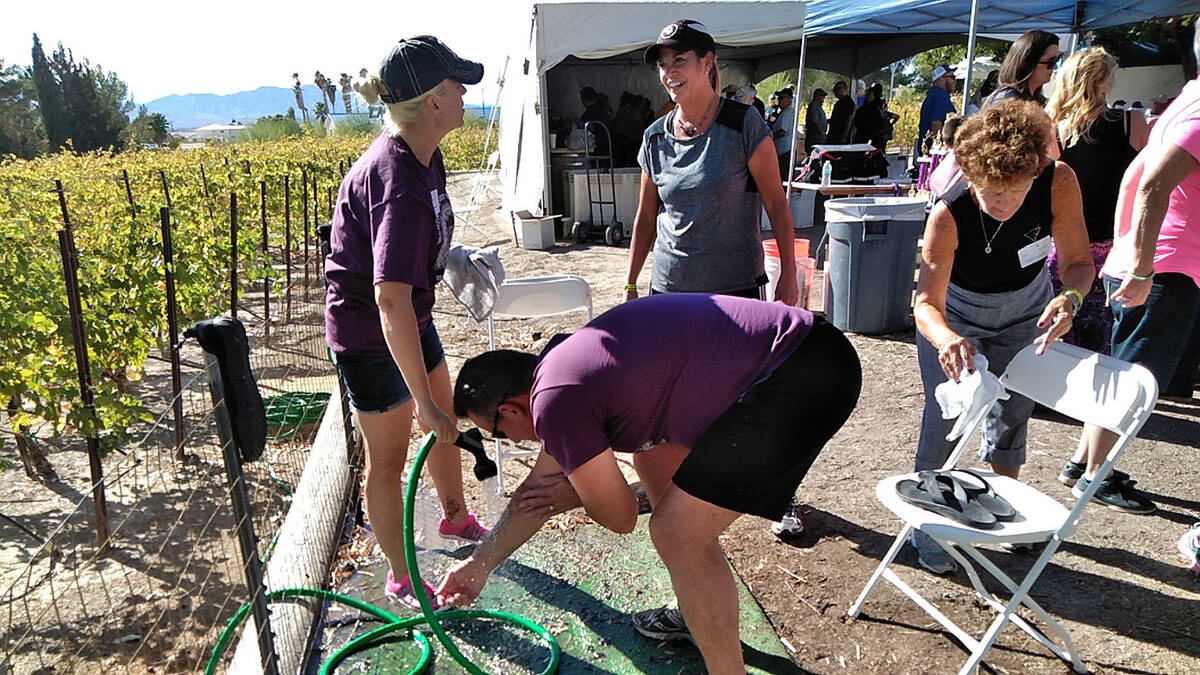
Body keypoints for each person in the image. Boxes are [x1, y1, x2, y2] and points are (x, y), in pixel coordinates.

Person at [437, 294, 862, 675]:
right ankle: (697, 608)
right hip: (809, 353)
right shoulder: (560, 369)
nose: (503, 442)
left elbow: (620, 517)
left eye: (494, 432)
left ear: (510, 409)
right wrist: (479, 564)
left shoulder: (555, 401)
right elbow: (535, 496)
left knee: (675, 533)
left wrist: (577, 494)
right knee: (652, 459)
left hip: (800, 374)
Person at [324, 35, 488, 611]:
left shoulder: (425, 153)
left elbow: (410, 276)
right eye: (456, 85)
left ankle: (453, 518)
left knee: (447, 421)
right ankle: (400, 574)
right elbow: (388, 300)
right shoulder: (397, 184)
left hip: (410, 318)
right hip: (373, 337)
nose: (466, 92)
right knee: (390, 461)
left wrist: (453, 259)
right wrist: (421, 401)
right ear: (433, 102)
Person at [911, 100, 1094, 574]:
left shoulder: (1059, 181)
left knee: (1014, 413)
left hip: (1026, 309)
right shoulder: (947, 214)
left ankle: (1004, 506)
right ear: (969, 174)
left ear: (1035, 171)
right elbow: (926, 303)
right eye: (990, 191)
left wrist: (1070, 298)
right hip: (959, 312)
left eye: (1015, 191)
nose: (1003, 203)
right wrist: (947, 337)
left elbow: (1077, 263)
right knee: (945, 420)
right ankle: (929, 523)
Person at [1067, 27, 1200, 515]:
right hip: (1166, 268)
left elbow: (1133, 179)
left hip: (1148, 262)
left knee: (1119, 369)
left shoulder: (1184, 102)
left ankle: (1085, 462)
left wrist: (1126, 251)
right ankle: (1095, 474)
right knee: (1135, 378)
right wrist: (1140, 266)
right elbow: (1150, 188)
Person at [625, 19, 799, 306]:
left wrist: (788, 273)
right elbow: (645, 218)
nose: (670, 72)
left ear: (707, 62)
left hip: (736, 292)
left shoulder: (744, 124)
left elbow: (777, 204)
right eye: (663, 65)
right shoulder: (655, 137)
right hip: (669, 292)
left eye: (679, 60)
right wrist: (630, 283)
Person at [1045, 47, 1149, 356]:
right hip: (1118, 247)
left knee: (1066, 336)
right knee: (1109, 340)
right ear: (1101, 82)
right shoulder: (1133, 123)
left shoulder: (1055, 133)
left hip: (1066, 248)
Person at [987, 30, 1060, 106]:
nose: (1055, 66)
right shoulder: (1008, 100)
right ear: (1025, 63)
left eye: (1056, 60)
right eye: (1050, 61)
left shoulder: (1039, 101)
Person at [918, 64, 958, 157]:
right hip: (936, 156)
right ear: (941, 79)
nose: (955, 81)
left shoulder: (935, 95)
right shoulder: (940, 96)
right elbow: (936, 126)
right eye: (952, 77)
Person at [851, 83, 896, 149]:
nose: (866, 96)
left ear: (874, 96)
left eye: (869, 94)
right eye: (866, 94)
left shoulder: (873, 108)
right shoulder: (878, 107)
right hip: (871, 136)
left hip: (869, 136)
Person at [772, 87, 798, 179]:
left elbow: (783, 130)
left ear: (789, 99)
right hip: (784, 150)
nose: (779, 100)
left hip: (785, 151)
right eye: (779, 98)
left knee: (783, 177)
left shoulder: (787, 112)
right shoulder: (785, 112)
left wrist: (771, 137)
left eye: (782, 97)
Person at [827, 80, 856, 145]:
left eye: (838, 89)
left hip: (840, 137)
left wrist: (844, 137)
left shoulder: (848, 102)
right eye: (835, 89)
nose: (835, 91)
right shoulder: (839, 103)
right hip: (834, 135)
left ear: (845, 89)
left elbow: (849, 119)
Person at [804, 88, 828, 153]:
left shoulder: (818, 107)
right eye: (822, 96)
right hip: (815, 137)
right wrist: (820, 133)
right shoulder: (814, 106)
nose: (823, 98)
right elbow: (815, 121)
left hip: (818, 136)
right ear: (817, 96)